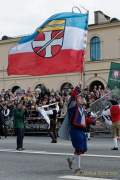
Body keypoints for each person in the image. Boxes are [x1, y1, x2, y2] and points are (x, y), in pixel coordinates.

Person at [66, 87, 96, 175]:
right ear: (76, 99)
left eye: (81, 97)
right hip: (75, 130)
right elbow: (71, 100)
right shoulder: (73, 108)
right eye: (79, 97)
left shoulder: (83, 109)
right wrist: (76, 90)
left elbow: (86, 119)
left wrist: (92, 121)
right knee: (79, 148)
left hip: (81, 130)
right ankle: (78, 168)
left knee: (81, 149)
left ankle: (71, 160)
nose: (81, 98)